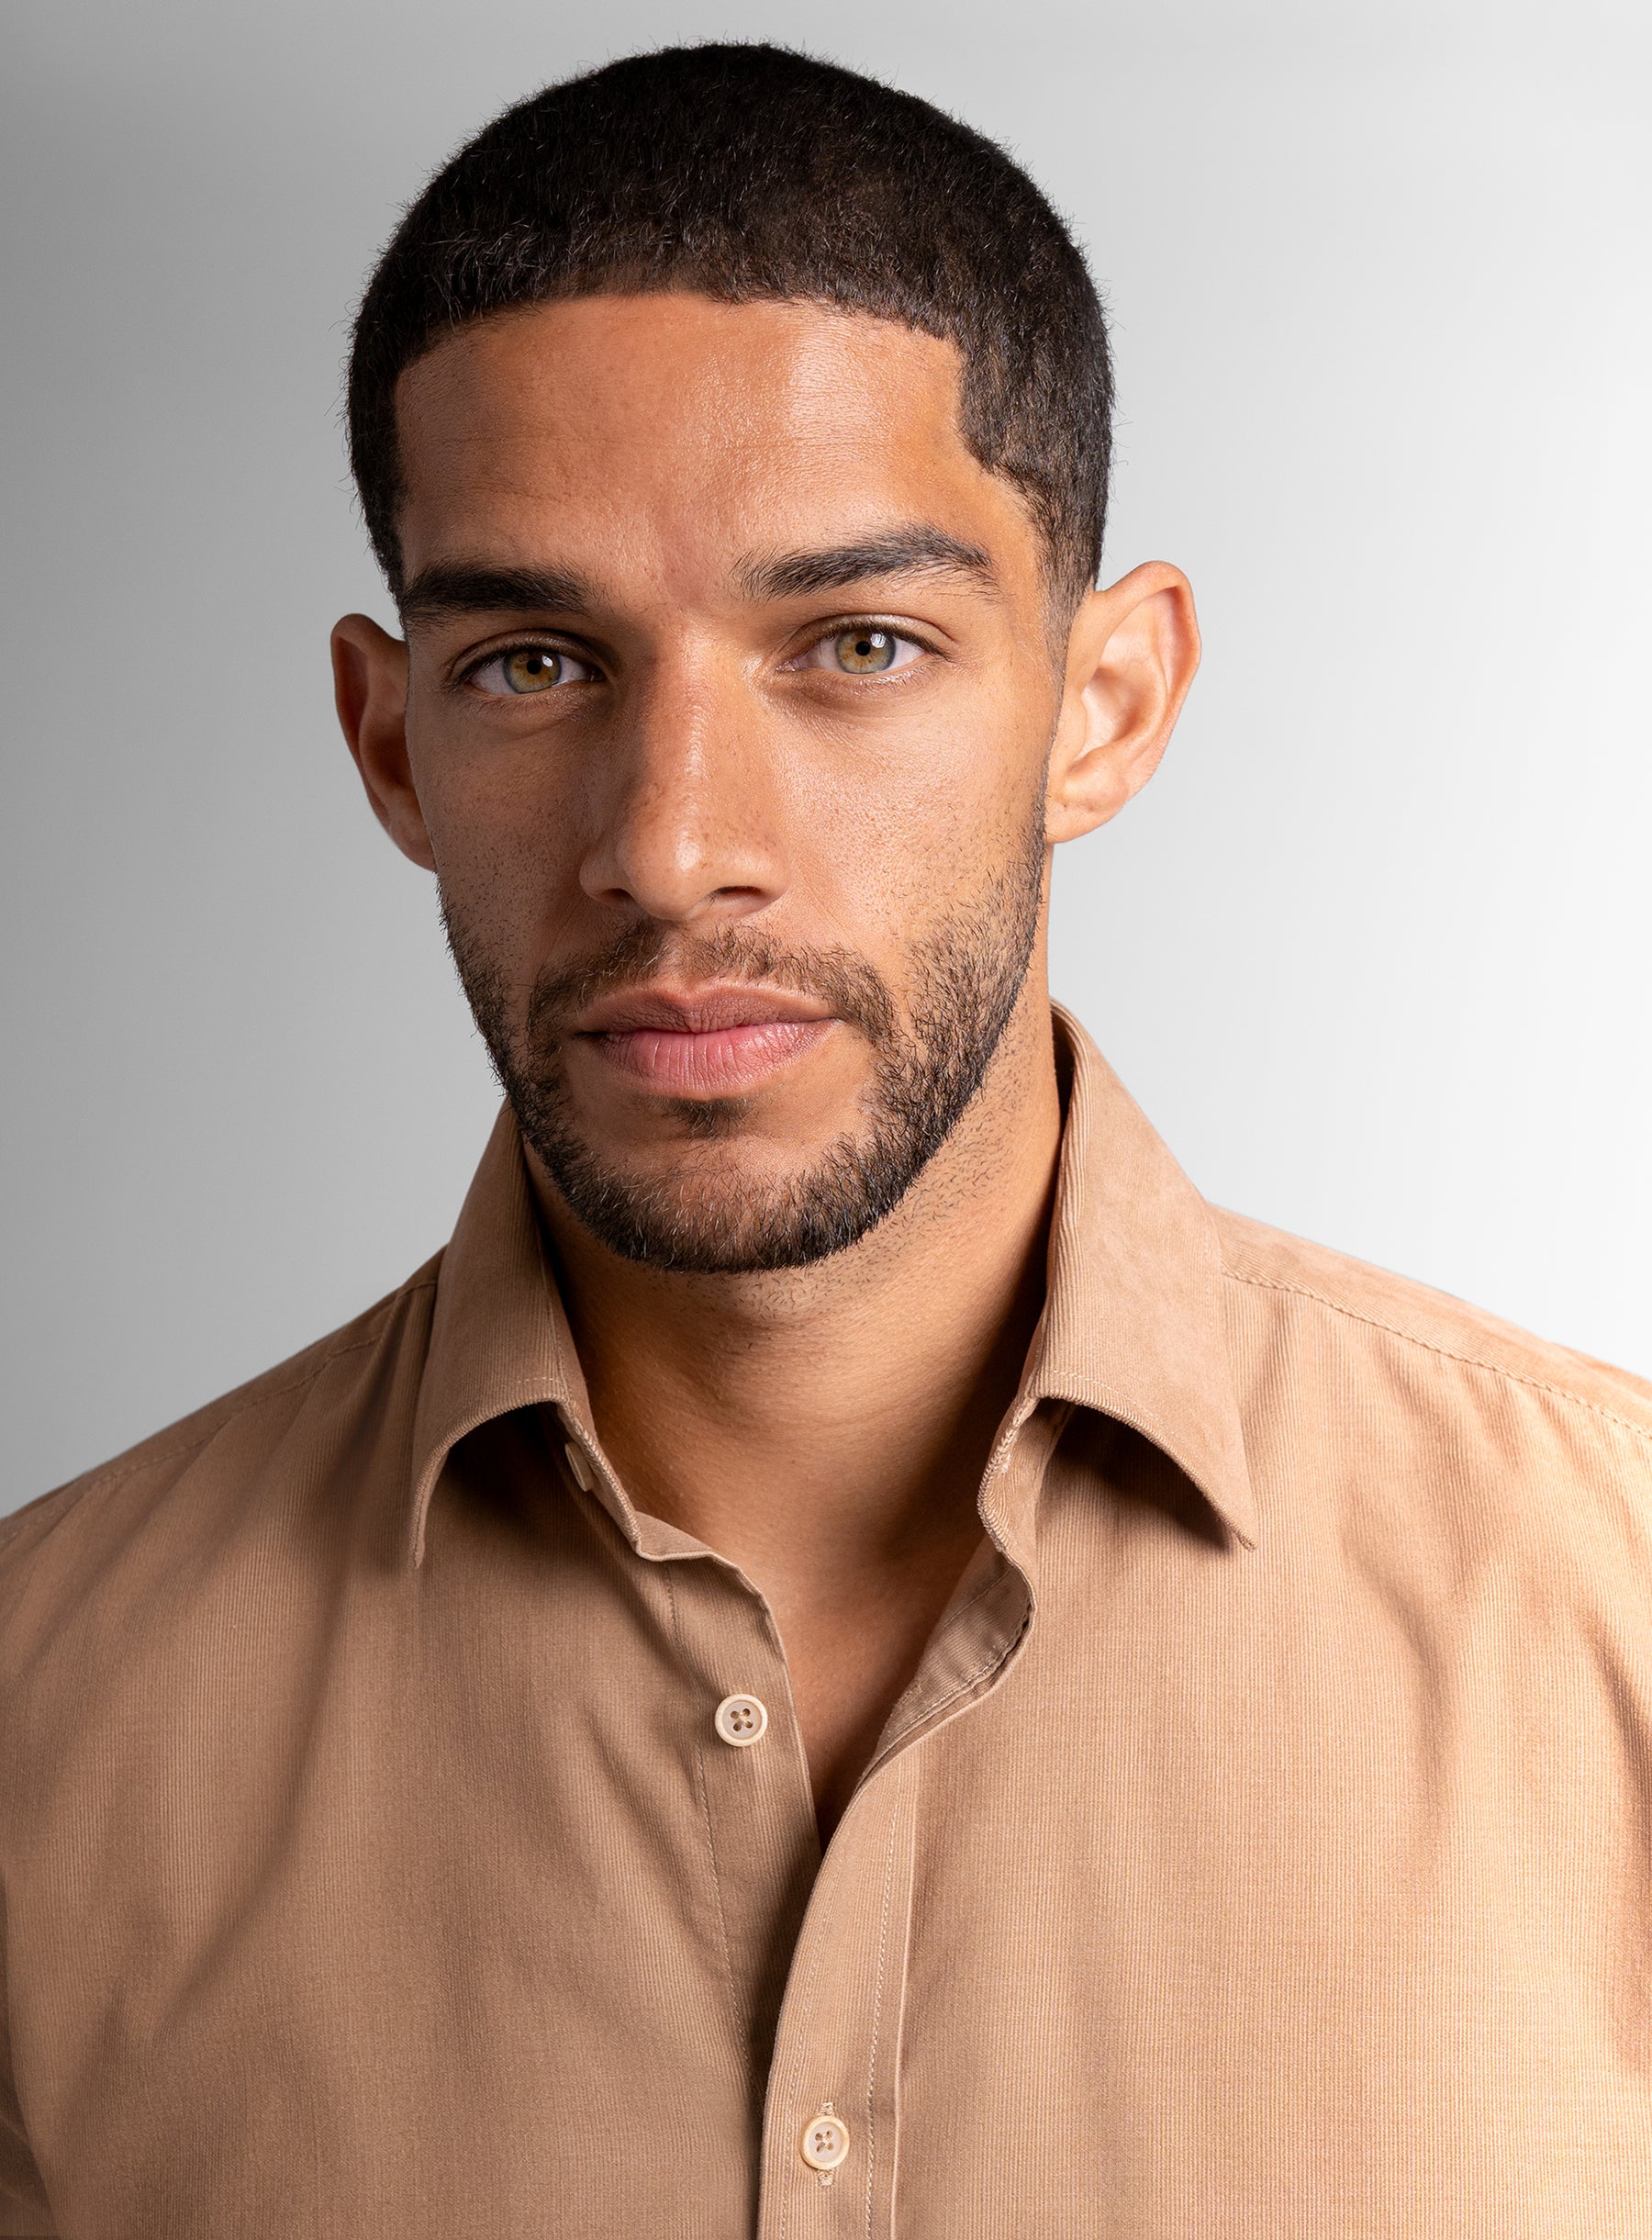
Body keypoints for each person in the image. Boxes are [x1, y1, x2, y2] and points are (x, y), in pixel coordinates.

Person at [2, 40, 1648, 2240]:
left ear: (1106, 704)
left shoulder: (1614, 1608)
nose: (675, 846)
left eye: (856, 642)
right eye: (534, 664)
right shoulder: (40, 1719)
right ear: (389, 747)